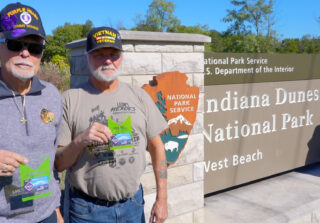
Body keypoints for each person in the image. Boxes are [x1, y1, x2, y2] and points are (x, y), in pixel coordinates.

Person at [55, 26, 168, 223]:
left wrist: (162, 199)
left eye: (113, 54)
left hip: (133, 205)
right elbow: (59, 163)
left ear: (121, 57)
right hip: (86, 211)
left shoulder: (139, 96)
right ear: (87, 57)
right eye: (99, 54)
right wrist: (80, 140)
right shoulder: (70, 99)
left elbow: (157, 146)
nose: (107, 60)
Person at [0, 2, 63, 223]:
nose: (25, 53)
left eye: (34, 47)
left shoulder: (52, 94)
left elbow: (52, 159)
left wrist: (55, 209)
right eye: (15, 43)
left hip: (47, 215)